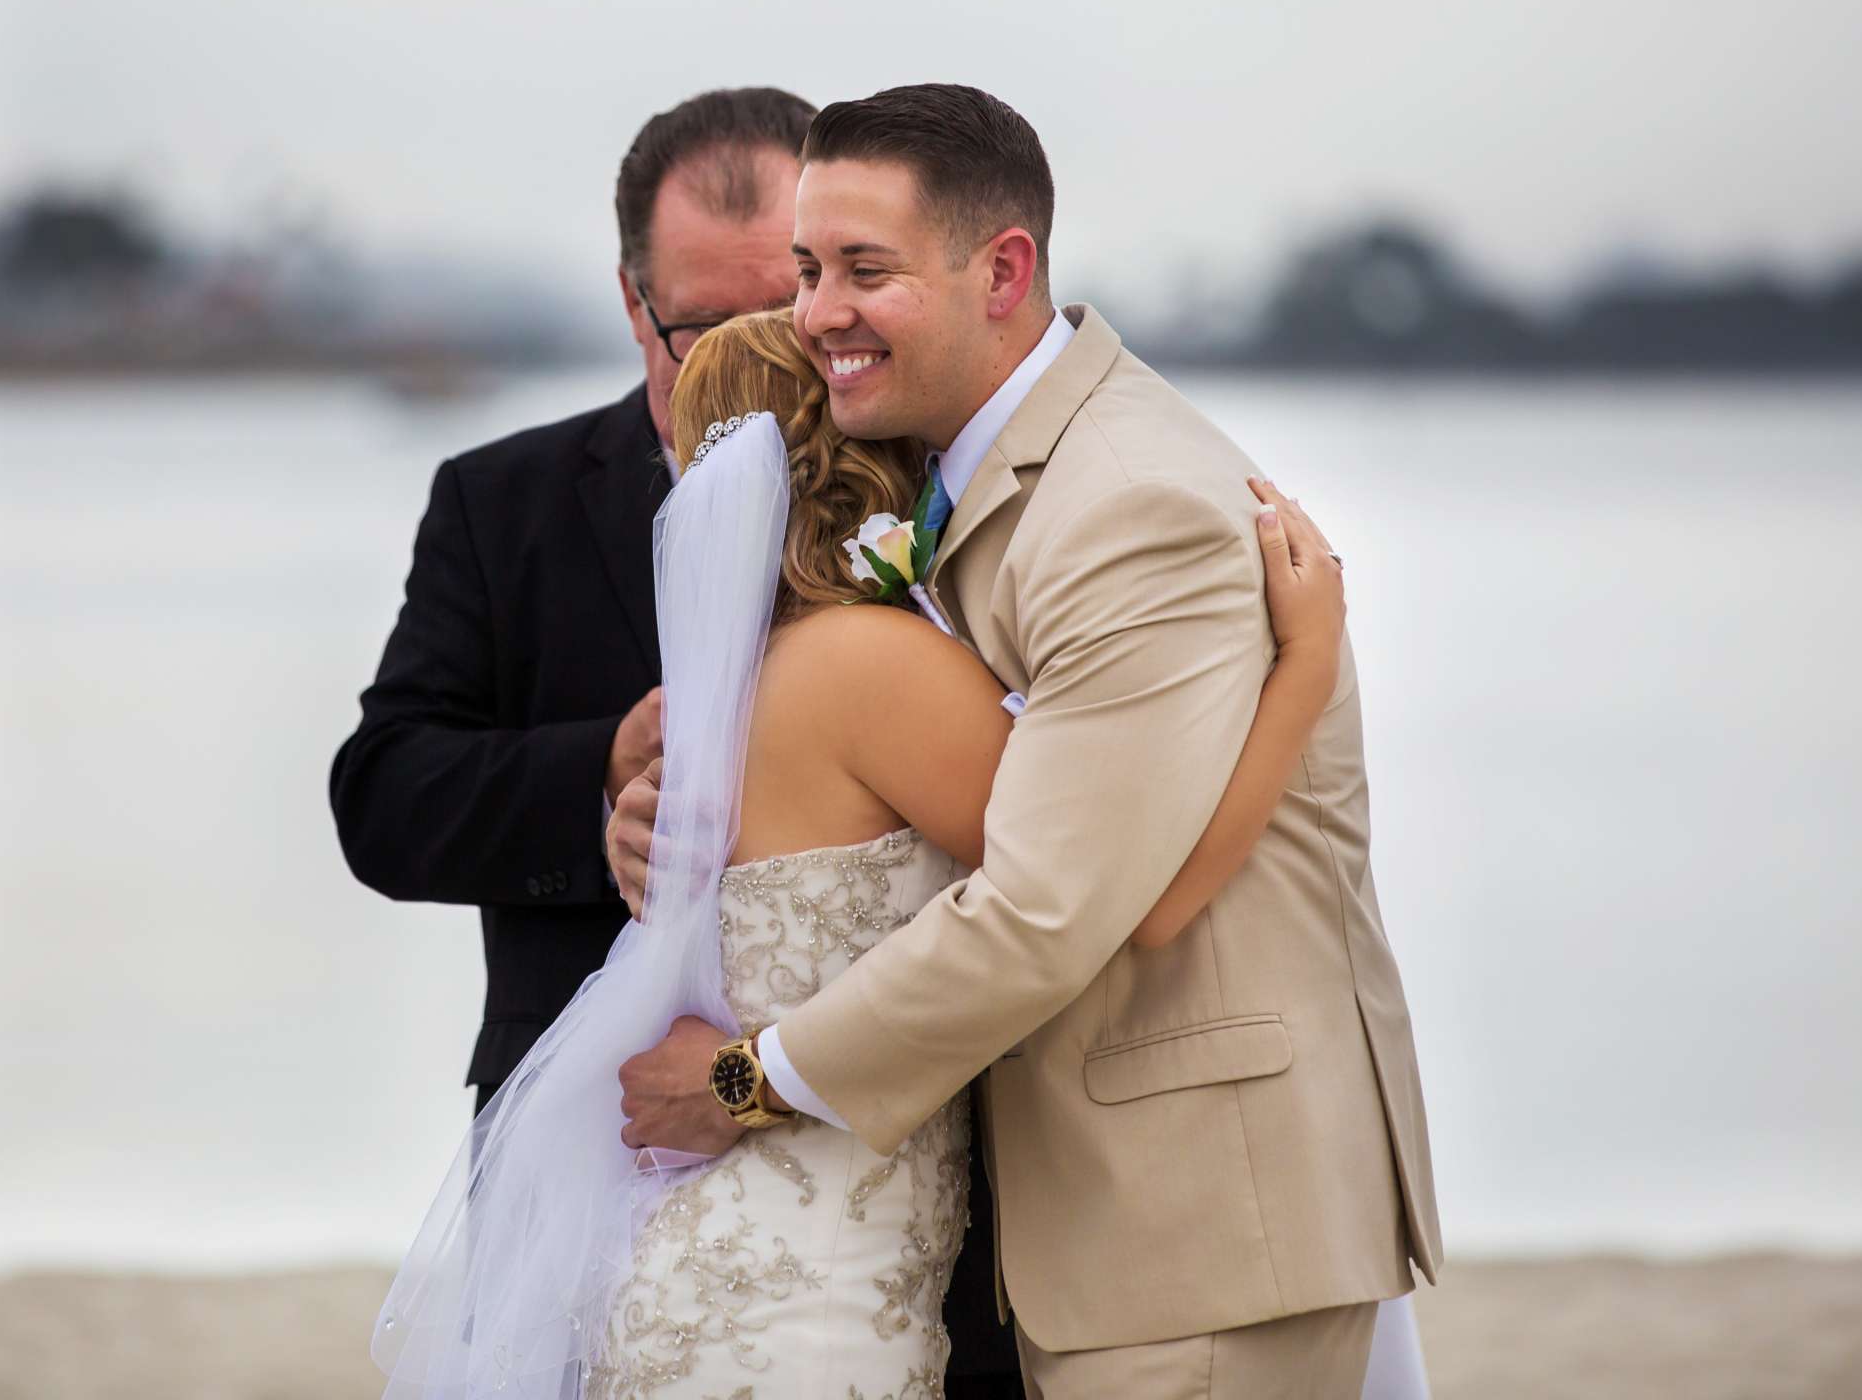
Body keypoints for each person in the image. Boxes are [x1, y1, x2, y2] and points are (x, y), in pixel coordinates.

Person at [609, 85, 1441, 1398]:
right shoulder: (938, 531)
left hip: (1196, 1232)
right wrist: (1308, 670)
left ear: (1002, 271)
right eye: (812, 268)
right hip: (1055, 1240)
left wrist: (739, 1081)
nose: (819, 306)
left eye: (862, 269)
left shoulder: (1128, 503)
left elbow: (1064, 907)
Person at [370, 308, 1347, 1398]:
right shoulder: (869, 667)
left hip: (721, 1268)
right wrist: (1304, 667)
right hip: (809, 1292)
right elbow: (1127, 896)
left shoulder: (728, 700)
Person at [328, 86, 811, 1114]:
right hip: (578, 1111)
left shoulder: (926, 492)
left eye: (785, 317)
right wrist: (598, 769)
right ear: (636, 304)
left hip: (858, 1116)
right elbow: (381, 800)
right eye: (707, 328)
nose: (755, 362)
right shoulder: (500, 501)